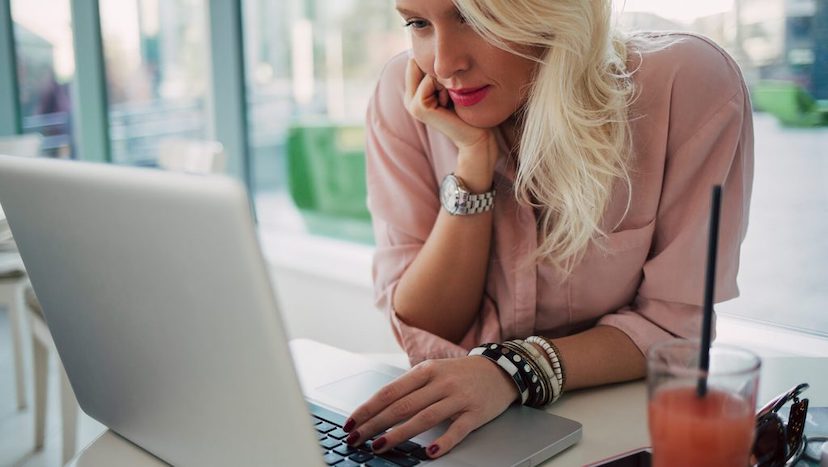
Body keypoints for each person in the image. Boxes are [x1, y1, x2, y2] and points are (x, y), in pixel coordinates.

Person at [343, 0, 754, 460]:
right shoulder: (407, 99)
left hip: (619, 436)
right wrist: (474, 163)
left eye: (475, 18)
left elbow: (675, 331)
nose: (444, 64)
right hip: (464, 436)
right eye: (417, 23)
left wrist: (512, 369)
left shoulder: (686, 84)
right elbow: (428, 328)